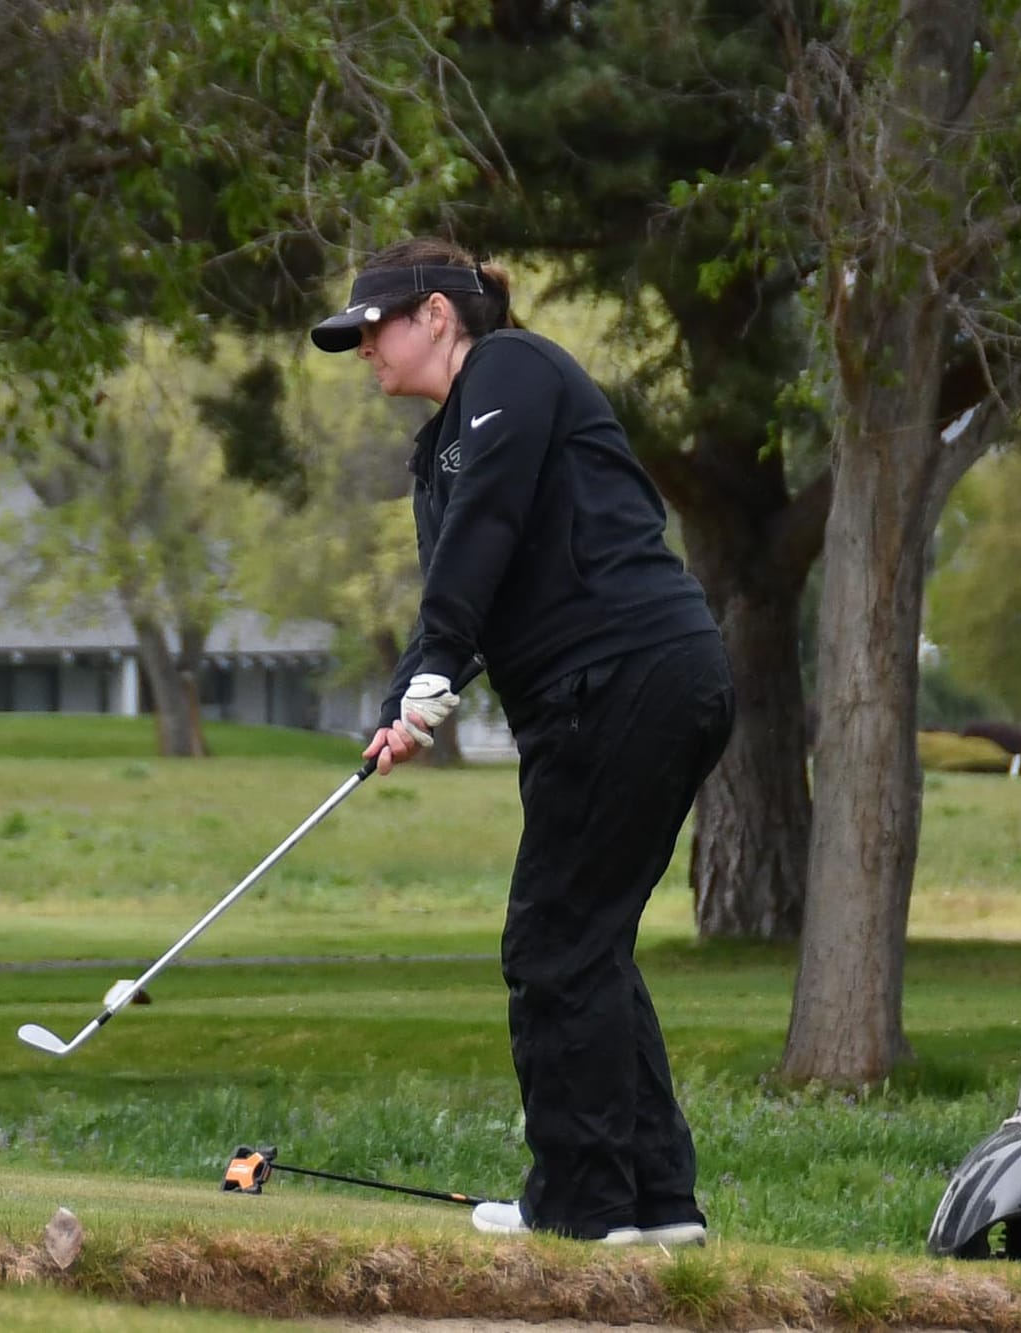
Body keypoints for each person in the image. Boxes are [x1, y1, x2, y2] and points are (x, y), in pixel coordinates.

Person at [309, 237, 737, 1245]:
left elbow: (487, 525)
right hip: (600, 693)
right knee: (584, 940)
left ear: (437, 316)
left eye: (374, 329)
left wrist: (433, 666)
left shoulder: (512, 369)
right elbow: (460, 574)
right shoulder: (435, 452)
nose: (364, 351)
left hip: (627, 670)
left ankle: (580, 1206)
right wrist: (407, 698)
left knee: (548, 942)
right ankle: (654, 1203)